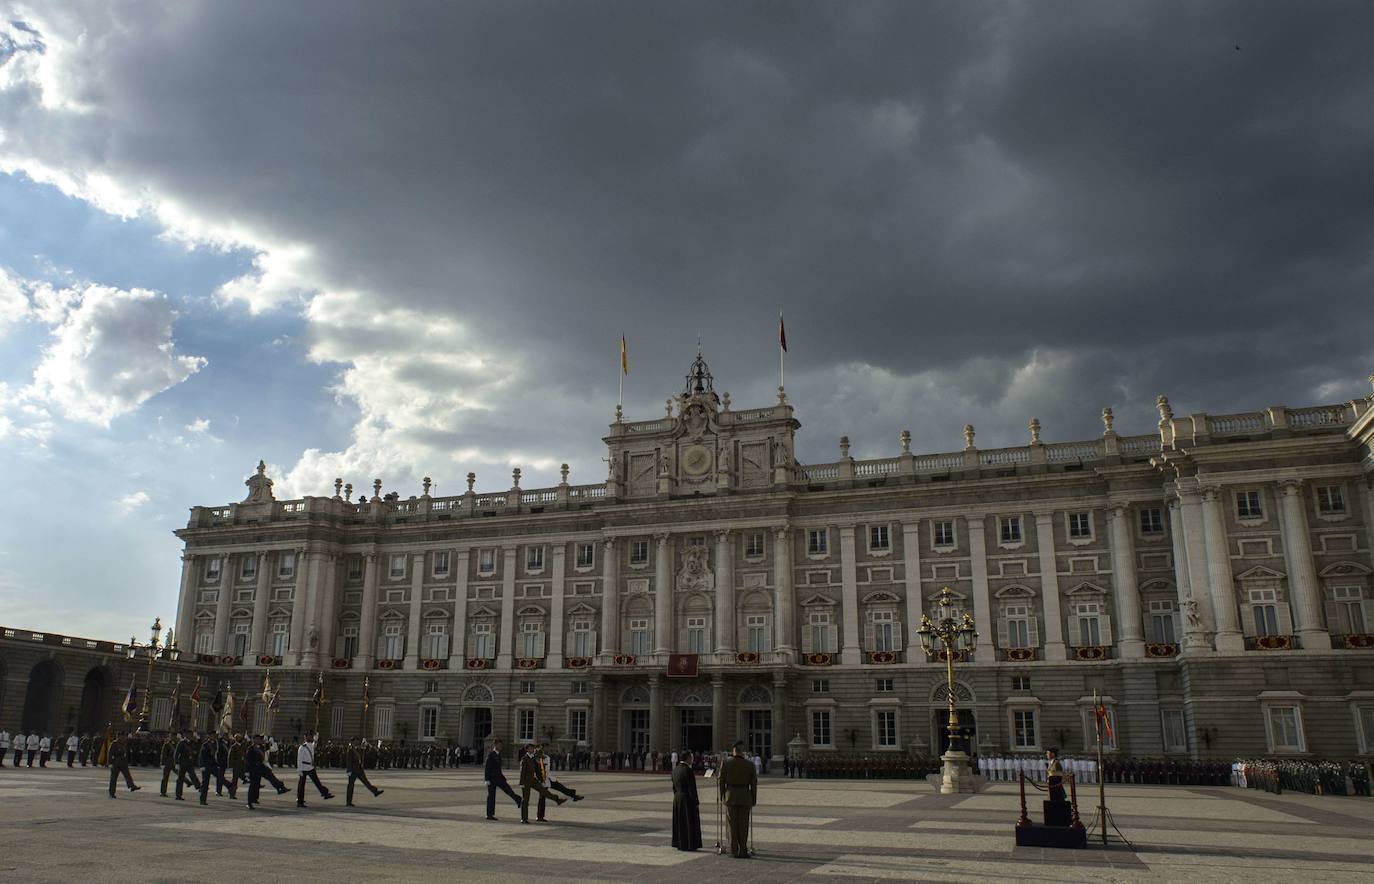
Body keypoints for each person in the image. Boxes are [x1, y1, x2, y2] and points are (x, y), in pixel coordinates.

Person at [719, 741, 758, 859]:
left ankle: (734, 849)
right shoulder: (750, 764)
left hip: (730, 796)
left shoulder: (726, 763)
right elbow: (754, 783)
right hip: (745, 796)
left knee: (732, 824)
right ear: (742, 751)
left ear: (733, 750)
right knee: (743, 824)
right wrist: (753, 798)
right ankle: (743, 850)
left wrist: (722, 796)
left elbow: (721, 781)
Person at [519, 744, 565, 823]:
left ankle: (557, 800)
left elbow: (538, 766)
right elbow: (522, 772)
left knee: (543, 791)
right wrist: (522, 783)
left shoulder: (533, 758)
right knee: (526, 799)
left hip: (533, 780)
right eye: (530, 748)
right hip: (526, 781)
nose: (532, 749)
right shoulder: (524, 759)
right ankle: (524, 818)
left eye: (532, 748)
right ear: (527, 749)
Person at [245, 734, 289, 809]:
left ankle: (280, 788)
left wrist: (269, 740)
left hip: (261, 767)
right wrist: (247, 772)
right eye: (256, 739)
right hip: (254, 769)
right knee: (254, 785)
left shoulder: (262, 747)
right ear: (253, 740)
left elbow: (272, 748)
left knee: (271, 776)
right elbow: (247, 761)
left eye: (259, 739)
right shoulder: (250, 748)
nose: (258, 740)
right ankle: (249, 802)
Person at [671, 750, 702, 851]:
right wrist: (696, 801)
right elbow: (692, 788)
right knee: (689, 822)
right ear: (688, 758)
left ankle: (680, 843)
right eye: (691, 757)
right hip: (687, 798)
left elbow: (674, 787)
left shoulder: (675, 770)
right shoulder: (688, 770)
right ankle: (689, 844)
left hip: (677, 798)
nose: (692, 759)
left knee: (679, 822)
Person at [484, 739, 522, 820]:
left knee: (508, 790)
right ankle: (489, 814)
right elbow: (487, 768)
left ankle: (518, 799)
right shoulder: (491, 755)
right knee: (491, 797)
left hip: (499, 778)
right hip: (491, 779)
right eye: (499, 745)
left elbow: (498, 768)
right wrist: (486, 779)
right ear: (495, 745)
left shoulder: (498, 755)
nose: (501, 746)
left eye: (501, 745)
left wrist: (502, 777)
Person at [295, 730, 335, 807]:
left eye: (311, 736)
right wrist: (299, 769)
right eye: (309, 736)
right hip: (304, 767)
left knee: (317, 782)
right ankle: (300, 801)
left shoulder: (311, 745)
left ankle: (324, 793)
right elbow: (299, 759)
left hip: (310, 767)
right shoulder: (302, 747)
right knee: (301, 785)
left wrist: (316, 737)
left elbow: (315, 744)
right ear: (305, 737)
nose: (310, 737)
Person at [345, 737, 384, 806]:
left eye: (358, 741)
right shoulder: (350, 749)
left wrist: (367, 746)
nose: (358, 742)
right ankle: (348, 802)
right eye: (356, 741)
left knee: (366, 782)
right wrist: (349, 770)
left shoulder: (358, 748)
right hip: (353, 770)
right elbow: (349, 760)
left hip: (359, 769)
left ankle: (375, 791)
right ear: (353, 741)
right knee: (351, 786)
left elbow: (364, 754)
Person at [107, 731, 141, 798]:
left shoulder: (123, 743)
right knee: (113, 779)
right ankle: (111, 793)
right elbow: (110, 753)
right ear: (118, 736)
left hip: (123, 762)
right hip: (116, 762)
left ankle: (132, 786)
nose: (123, 737)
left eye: (124, 736)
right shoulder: (114, 743)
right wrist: (110, 763)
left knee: (127, 775)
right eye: (122, 736)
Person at [174, 732, 201, 800]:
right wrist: (176, 763)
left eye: (191, 735)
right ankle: (178, 795)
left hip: (189, 763)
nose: (190, 736)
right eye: (189, 734)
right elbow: (176, 753)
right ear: (185, 735)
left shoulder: (191, 742)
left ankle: (199, 787)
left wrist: (198, 739)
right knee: (180, 779)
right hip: (182, 763)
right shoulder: (181, 743)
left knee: (193, 775)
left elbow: (198, 747)